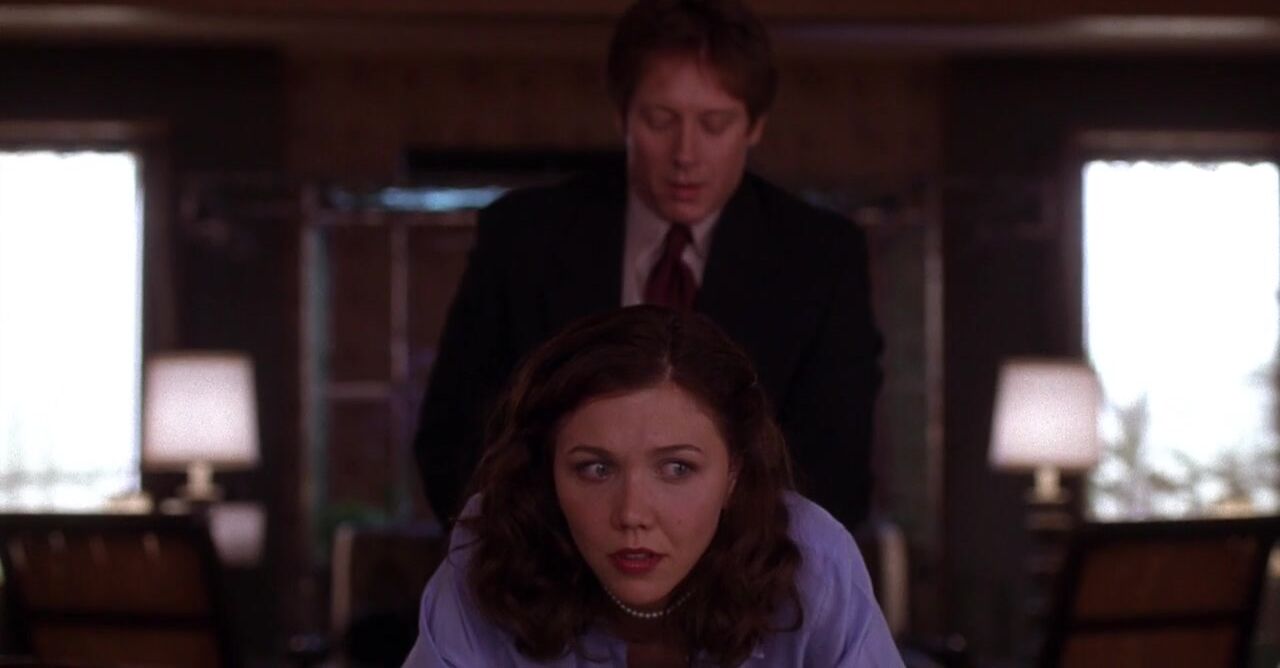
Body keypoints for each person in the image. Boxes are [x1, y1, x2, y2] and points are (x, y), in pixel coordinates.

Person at [414, 0, 883, 533]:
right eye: (661, 120)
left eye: (714, 124)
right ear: (623, 115)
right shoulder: (523, 238)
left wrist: (707, 573)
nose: (686, 153)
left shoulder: (820, 257)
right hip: (548, 567)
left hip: (749, 576)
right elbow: (455, 443)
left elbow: (834, 474)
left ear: (754, 126)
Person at [403, 306, 902, 667]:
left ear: (734, 473)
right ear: (547, 471)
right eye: (595, 469)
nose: (632, 514)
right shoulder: (492, 551)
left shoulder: (812, 562)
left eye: (677, 469)